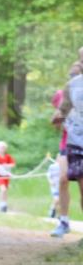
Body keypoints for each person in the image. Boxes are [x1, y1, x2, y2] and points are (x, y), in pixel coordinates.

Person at [51, 61, 83, 237]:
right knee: (63, 178)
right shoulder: (65, 92)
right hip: (68, 142)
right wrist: (59, 118)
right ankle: (63, 221)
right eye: (71, 75)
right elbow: (58, 115)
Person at [46, 153, 62, 219]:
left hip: (61, 187)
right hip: (54, 186)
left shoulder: (64, 167)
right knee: (56, 199)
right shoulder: (52, 166)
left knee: (59, 201)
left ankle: (57, 214)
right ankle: (52, 211)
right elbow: (48, 175)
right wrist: (50, 181)